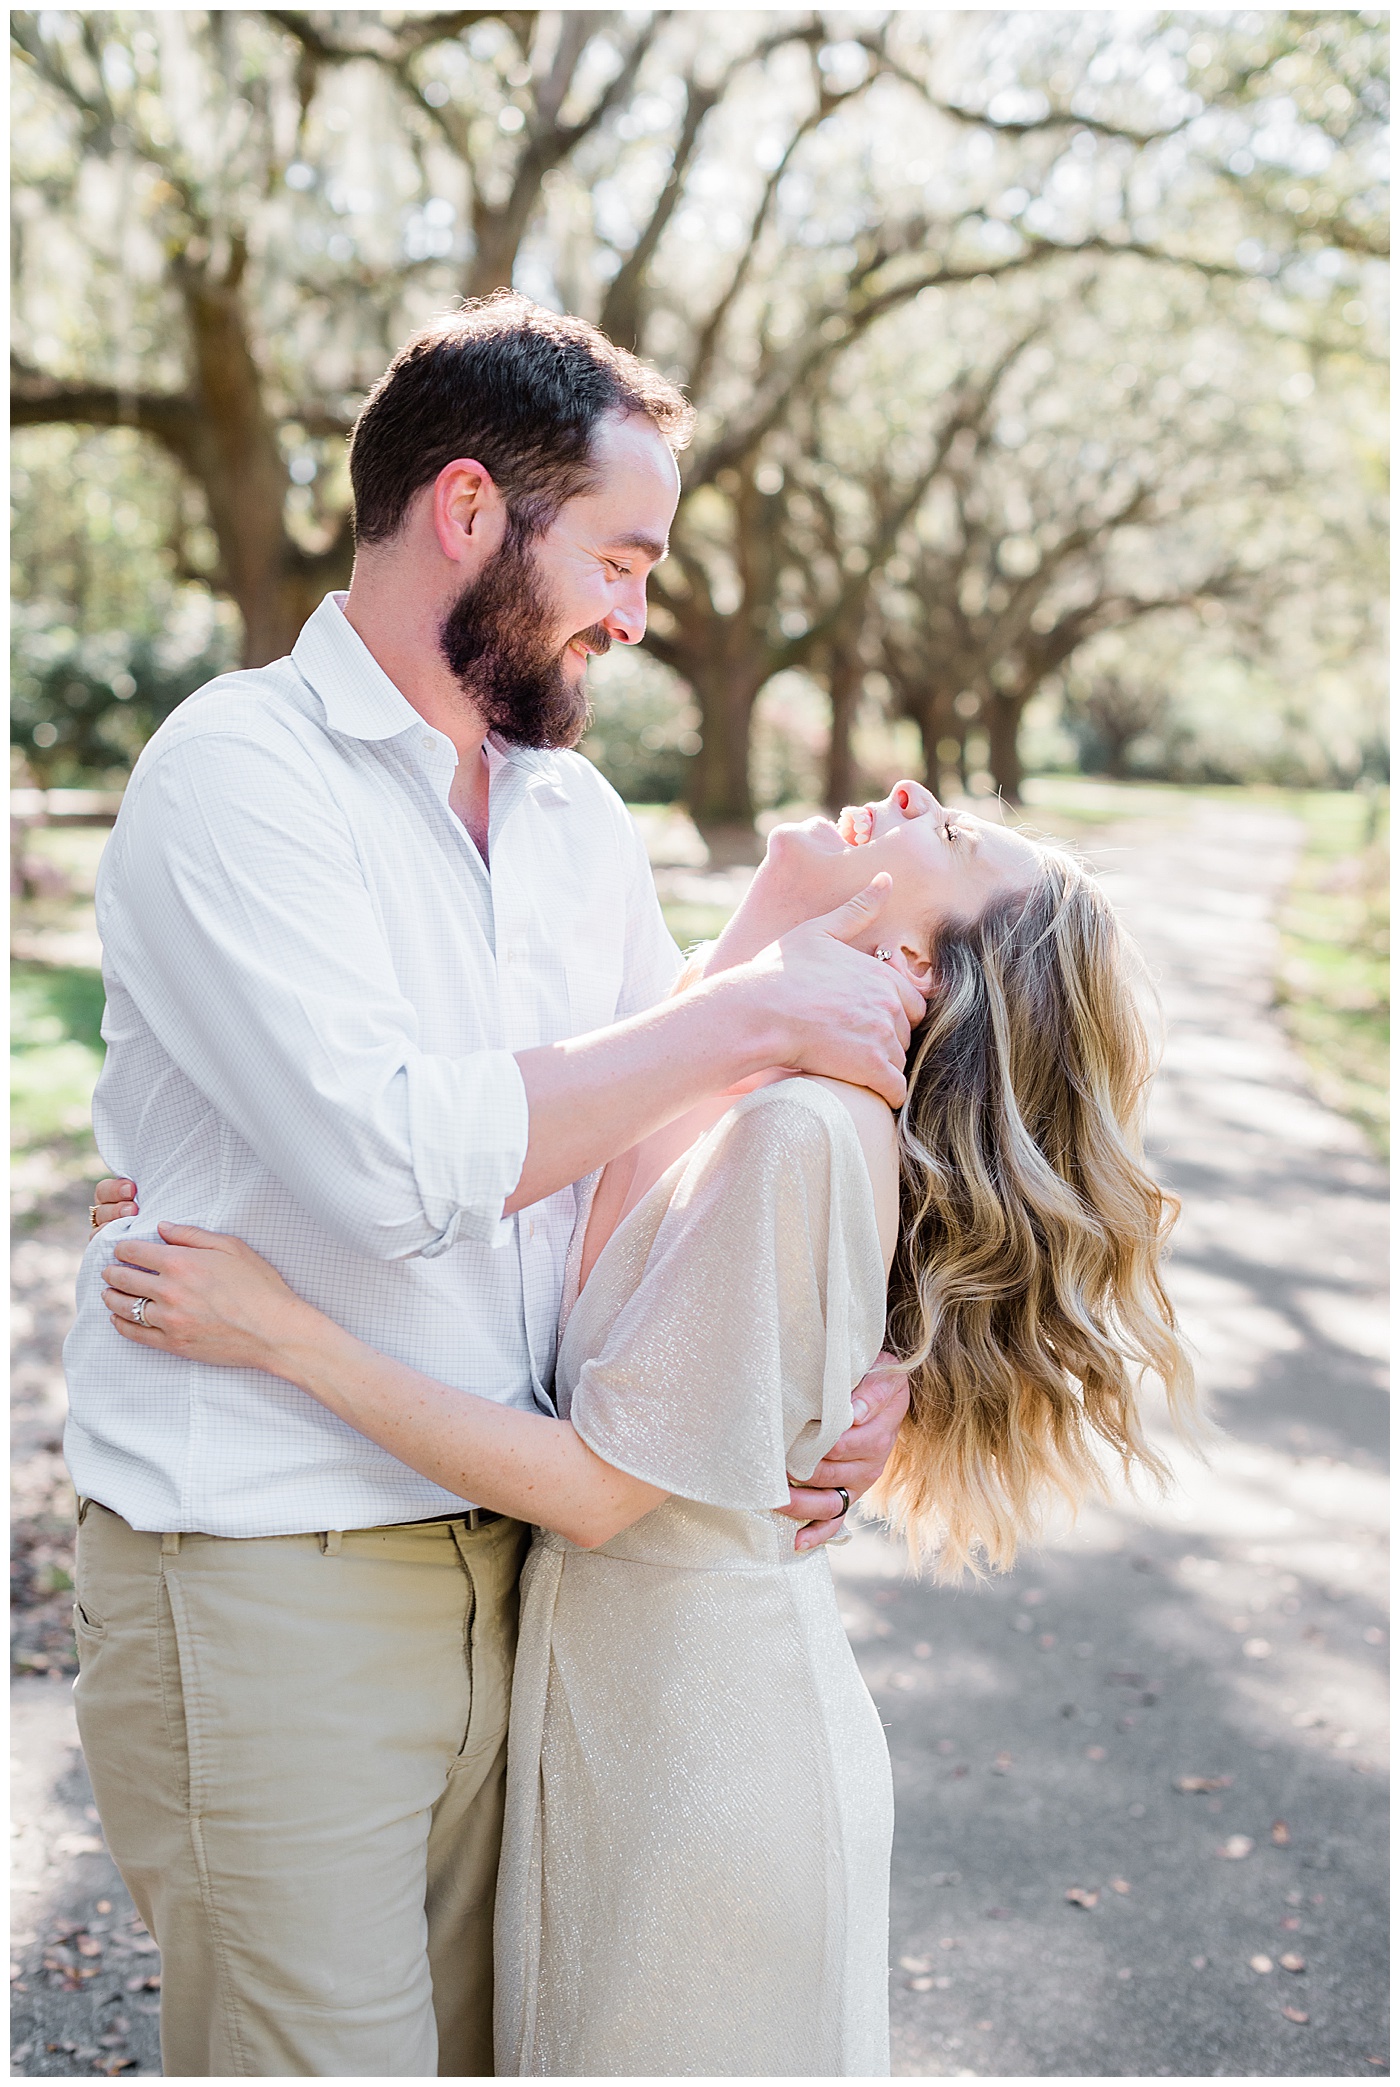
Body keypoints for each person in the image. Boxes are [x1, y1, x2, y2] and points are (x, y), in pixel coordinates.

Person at [65, 294, 922, 2080]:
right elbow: (397, 1165)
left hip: (528, 1567)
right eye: (618, 556)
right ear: (471, 511)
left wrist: (856, 1370)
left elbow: (635, 1158)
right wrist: (751, 1006)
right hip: (272, 1566)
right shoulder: (237, 777)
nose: (635, 609)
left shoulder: (569, 817)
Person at [95, 779, 1196, 2077]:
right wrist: (773, 922)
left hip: (700, 1752)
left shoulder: (800, 1125)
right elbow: (590, 1239)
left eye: (947, 835)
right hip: (627, 1710)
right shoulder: (773, 1083)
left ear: (912, 965)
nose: (912, 795)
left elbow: (600, 1487)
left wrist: (280, 1331)